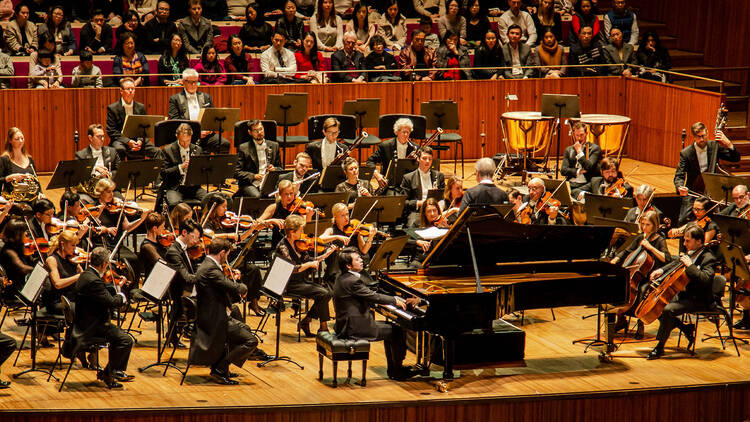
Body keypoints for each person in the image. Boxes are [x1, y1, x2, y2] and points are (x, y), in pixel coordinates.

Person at [333, 247, 419, 380]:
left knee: (391, 328)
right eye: (357, 259)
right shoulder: (353, 281)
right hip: (354, 328)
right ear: (349, 265)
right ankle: (397, 371)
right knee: (396, 331)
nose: (361, 260)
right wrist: (394, 300)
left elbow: (366, 296)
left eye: (360, 258)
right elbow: (373, 296)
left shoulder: (342, 277)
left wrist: (382, 302)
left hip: (345, 324)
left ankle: (394, 369)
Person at [190, 237, 259, 385]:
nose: (226, 258)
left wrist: (230, 279)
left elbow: (223, 287)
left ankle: (221, 366)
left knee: (245, 328)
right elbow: (235, 288)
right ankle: (220, 368)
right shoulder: (211, 269)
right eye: (227, 254)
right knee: (251, 340)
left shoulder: (207, 265)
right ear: (222, 253)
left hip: (211, 314)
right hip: (214, 320)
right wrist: (241, 285)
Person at [66, 246, 134, 388]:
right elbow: (111, 303)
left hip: (84, 321)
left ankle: (110, 372)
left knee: (119, 337)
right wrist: (121, 295)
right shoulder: (94, 281)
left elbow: (102, 294)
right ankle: (109, 373)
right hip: (93, 326)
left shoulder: (86, 275)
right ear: (103, 264)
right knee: (125, 340)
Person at [646, 224, 716, 360]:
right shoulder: (692, 253)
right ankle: (686, 329)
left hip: (700, 299)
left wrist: (691, 265)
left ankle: (660, 347)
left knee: (668, 310)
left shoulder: (709, 258)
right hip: (685, 296)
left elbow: (705, 280)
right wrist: (661, 271)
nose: (684, 244)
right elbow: (676, 263)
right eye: (684, 240)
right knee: (658, 306)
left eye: (687, 241)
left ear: (699, 241)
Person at [610, 209, 670, 339]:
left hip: (652, 275)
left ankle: (640, 323)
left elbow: (667, 258)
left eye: (647, 224)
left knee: (642, 290)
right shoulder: (640, 238)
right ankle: (620, 319)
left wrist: (650, 247)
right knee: (622, 284)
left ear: (655, 225)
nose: (644, 227)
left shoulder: (659, 240)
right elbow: (627, 251)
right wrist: (616, 259)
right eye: (643, 224)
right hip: (638, 274)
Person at [272, 214, 332, 337]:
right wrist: (309, 264)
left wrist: (324, 256)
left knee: (327, 293)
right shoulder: (283, 246)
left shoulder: (299, 244)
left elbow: (308, 260)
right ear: (292, 232)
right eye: (301, 230)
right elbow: (292, 269)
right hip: (288, 284)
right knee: (324, 293)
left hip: (301, 281)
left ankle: (307, 321)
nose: (303, 232)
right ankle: (322, 328)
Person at [674, 121, 739, 224]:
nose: (702, 139)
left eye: (703, 136)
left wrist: (729, 144)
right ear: (694, 137)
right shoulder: (686, 153)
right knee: (683, 220)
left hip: (713, 190)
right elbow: (679, 175)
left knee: (720, 217)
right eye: (698, 137)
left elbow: (735, 158)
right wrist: (680, 187)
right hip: (694, 191)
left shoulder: (714, 146)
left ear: (707, 133)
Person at [168, 68, 230, 154]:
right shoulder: (175, 99)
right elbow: (174, 121)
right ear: (183, 82)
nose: (193, 85)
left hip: (206, 135)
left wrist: (209, 130)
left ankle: (217, 167)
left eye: (196, 82)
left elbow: (213, 117)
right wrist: (196, 133)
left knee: (224, 143)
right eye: (190, 82)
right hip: (188, 136)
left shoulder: (206, 97)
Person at [164, 218, 202, 347]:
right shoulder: (174, 252)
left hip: (184, 289)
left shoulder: (183, 248)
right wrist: (205, 275)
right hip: (179, 291)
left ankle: (175, 335)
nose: (196, 241)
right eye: (194, 237)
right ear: (184, 232)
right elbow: (185, 278)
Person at [106, 77, 159, 160]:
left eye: (133, 89)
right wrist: (128, 141)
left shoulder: (141, 107)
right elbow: (111, 131)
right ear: (121, 91)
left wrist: (140, 141)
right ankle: (121, 172)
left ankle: (152, 172)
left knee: (157, 151)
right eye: (128, 89)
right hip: (120, 140)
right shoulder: (113, 108)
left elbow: (144, 128)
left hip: (138, 139)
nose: (130, 91)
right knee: (120, 149)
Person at [159, 123, 207, 208]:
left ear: (191, 137)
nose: (185, 144)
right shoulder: (167, 150)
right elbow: (163, 172)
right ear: (177, 136)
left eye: (188, 141)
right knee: (175, 204)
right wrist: (180, 167)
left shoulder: (198, 150)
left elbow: (203, 171)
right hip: (175, 188)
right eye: (182, 141)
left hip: (193, 188)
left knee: (211, 201)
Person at [367, 117, 418, 192]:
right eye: (403, 132)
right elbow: (370, 161)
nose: (406, 134)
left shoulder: (414, 148)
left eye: (408, 132)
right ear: (397, 132)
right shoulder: (385, 146)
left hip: (408, 184)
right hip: (389, 184)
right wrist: (377, 175)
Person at [75, 123, 120, 205]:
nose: (102, 139)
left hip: (109, 190)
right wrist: (94, 169)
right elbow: (79, 176)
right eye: (99, 136)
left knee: (121, 203)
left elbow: (119, 171)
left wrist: (108, 175)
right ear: (90, 138)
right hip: (90, 193)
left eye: (103, 136)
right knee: (82, 203)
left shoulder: (112, 152)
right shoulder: (81, 155)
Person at [259, 179, 314, 245]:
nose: (289, 197)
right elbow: (257, 225)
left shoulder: (298, 207)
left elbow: (305, 227)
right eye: (286, 194)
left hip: (297, 245)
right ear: (280, 194)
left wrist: (309, 215)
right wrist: (270, 221)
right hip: (279, 245)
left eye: (291, 193)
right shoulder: (273, 208)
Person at [400, 147, 445, 227]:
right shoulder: (408, 178)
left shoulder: (439, 176)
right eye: (424, 158)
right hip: (418, 212)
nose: (427, 161)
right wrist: (419, 203)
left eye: (430, 159)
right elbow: (404, 202)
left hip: (435, 210)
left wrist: (440, 207)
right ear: (418, 159)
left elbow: (443, 197)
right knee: (412, 225)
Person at [234, 120, 281, 198]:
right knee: (258, 197)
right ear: (250, 132)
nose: (259, 132)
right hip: (251, 183)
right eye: (256, 131)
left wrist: (274, 169)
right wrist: (254, 176)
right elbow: (237, 172)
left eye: (261, 129)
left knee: (277, 195)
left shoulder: (274, 146)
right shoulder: (243, 148)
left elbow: (280, 168)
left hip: (268, 182)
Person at [43, 230, 84, 315]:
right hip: (58, 302)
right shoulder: (52, 260)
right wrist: (77, 277)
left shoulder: (72, 259)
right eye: (72, 245)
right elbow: (57, 284)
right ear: (62, 244)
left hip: (72, 298)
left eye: (76, 245)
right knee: (84, 311)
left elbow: (82, 276)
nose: (75, 248)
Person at [0, 127, 42, 205]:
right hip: (14, 201)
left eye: (22, 138)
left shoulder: (30, 159)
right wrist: (10, 178)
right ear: (10, 141)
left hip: (32, 199)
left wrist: (40, 193)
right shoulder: (4, 159)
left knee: (48, 207)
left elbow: (36, 180)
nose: (21, 141)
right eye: (17, 139)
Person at [0, 219, 36, 302]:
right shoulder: (8, 251)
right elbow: (23, 268)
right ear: (17, 234)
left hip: (22, 285)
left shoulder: (19, 246)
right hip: (14, 291)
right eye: (24, 232)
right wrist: (39, 271)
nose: (26, 234)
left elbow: (31, 262)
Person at [561, 122, 602, 191]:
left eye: (582, 135)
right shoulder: (569, 149)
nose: (579, 138)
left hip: (586, 184)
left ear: (586, 133)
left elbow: (588, 167)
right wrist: (578, 171)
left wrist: (579, 152)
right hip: (570, 183)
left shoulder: (595, 149)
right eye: (577, 135)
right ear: (574, 134)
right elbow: (563, 170)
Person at [138, 212, 168, 280]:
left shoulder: (160, 241)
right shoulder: (147, 246)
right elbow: (161, 263)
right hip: (153, 282)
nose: (164, 228)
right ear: (155, 228)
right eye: (162, 226)